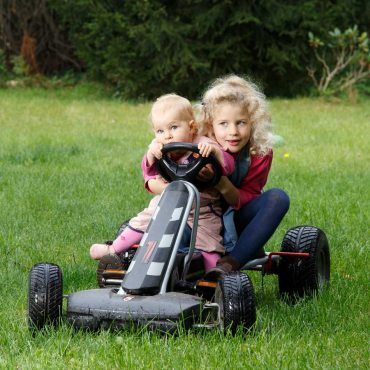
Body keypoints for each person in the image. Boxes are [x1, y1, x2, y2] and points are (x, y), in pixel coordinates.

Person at [90, 94, 234, 271]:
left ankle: (211, 274)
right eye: (160, 131)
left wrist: (216, 153)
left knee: (209, 241)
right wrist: (151, 154)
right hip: (168, 200)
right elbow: (148, 172)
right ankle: (113, 249)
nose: (167, 136)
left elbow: (228, 167)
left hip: (201, 207)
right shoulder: (159, 147)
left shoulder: (204, 144)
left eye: (173, 127)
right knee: (145, 218)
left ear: (191, 127)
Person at [196, 75, 290, 278]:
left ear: (253, 123)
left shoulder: (259, 151)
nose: (233, 132)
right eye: (223, 124)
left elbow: (248, 197)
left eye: (241, 123)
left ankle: (229, 264)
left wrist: (220, 182)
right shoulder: (201, 145)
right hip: (198, 217)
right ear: (211, 125)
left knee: (278, 198)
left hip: (236, 218)